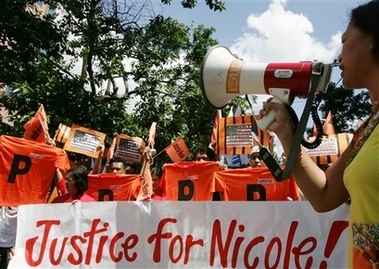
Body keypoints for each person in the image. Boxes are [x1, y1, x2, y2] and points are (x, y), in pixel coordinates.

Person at [260, 1, 379, 267]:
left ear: (372, 39)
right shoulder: (370, 128)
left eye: (344, 40)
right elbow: (324, 195)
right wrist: (286, 134)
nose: (338, 56)